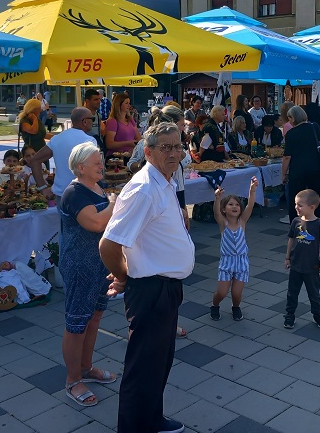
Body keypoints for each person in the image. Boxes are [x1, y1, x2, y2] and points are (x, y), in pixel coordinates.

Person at [99, 122, 194, 433]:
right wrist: (123, 276)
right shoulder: (143, 189)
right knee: (143, 369)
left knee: (159, 363)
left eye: (177, 146)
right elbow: (109, 244)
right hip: (151, 289)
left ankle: (152, 419)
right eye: (166, 147)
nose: (174, 153)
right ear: (148, 152)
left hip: (166, 287)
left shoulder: (164, 181)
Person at [59, 142, 117, 407]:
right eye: (96, 163)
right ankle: (73, 380)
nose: (101, 166)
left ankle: (86, 367)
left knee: (94, 319)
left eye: (100, 161)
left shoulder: (96, 187)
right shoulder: (74, 193)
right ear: (81, 168)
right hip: (80, 267)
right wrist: (114, 203)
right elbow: (95, 223)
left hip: (100, 265)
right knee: (77, 323)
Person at [210, 177, 258, 322]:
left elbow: (250, 205)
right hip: (227, 262)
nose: (234, 206)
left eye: (237, 204)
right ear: (224, 209)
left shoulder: (242, 221)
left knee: (236, 293)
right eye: (230, 204)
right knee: (222, 292)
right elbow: (216, 213)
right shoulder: (223, 223)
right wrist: (217, 198)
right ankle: (215, 305)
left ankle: (236, 307)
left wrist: (252, 190)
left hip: (241, 262)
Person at [283, 189, 320, 330]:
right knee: (292, 292)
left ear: (312, 207)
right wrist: (287, 257)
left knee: (314, 293)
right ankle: (289, 315)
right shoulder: (295, 222)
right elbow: (291, 240)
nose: (296, 207)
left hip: (312, 267)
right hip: (296, 265)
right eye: (295, 204)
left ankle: (318, 315)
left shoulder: (319, 224)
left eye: (300, 205)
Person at [28, 107, 96, 201]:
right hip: (83, 193)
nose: (93, 122)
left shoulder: (57, 138)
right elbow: (94, 168)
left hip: (61, 194)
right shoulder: (89, 141)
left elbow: (35, 161)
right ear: (84, 121)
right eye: (92, 119)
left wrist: (42, 188)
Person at [282, 106, 320, 223]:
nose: (289, 121)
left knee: (296, 198)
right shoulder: (314, 127)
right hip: (316, 168)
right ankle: (315, 224)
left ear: (293, 118)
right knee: (315, 197)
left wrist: (283, 174)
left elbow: (287, 157)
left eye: (289, 118)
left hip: (297, 170)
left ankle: (296, 224)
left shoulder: (290, 133)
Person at [105, 93, 141, 157]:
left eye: (129, 103)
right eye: (126, 103)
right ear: (119, 104)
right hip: (117, 157)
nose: (129, 105)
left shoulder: (130, 120)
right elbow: (109, 144)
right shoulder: (112, 121)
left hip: (131, 155)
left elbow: (138, 137)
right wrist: (128, 143)